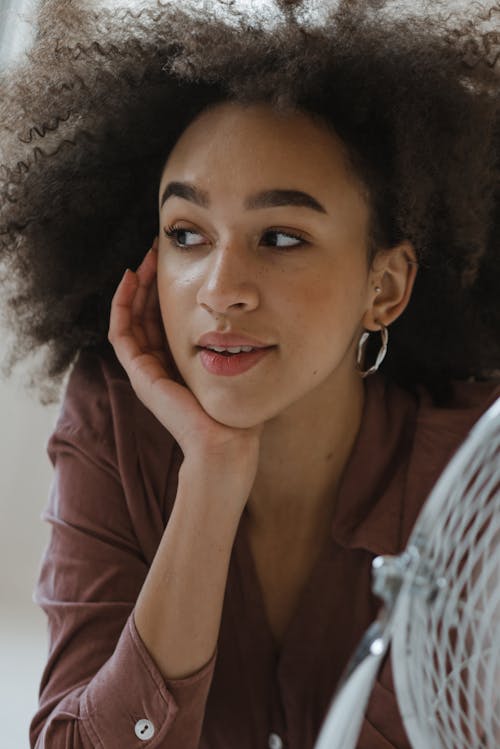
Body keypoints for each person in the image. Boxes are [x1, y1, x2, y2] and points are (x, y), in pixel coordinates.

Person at [0, 1, 499, 747]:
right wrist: (212, 472)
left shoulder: (474, 475)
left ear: (385, 287)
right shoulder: (115, 418)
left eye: (281, 236)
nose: (220, 287)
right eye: (187, 234)